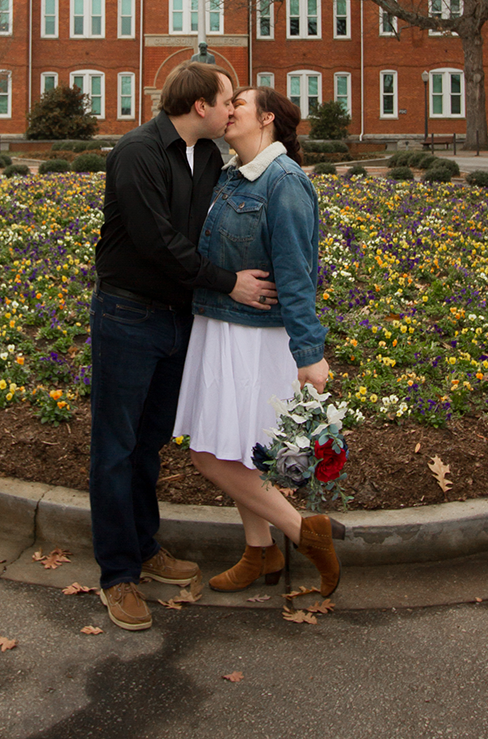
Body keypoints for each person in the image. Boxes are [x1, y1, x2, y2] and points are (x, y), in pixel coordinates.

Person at [90, 61, 278, 630]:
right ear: (200, 105)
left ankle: (147, 548)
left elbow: (214, 230)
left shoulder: (207, 160)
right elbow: (157, 243)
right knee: (116, 448)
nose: (231, 110)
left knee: (148, 445)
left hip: (178, 318)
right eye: (226, 100)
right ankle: (118, 575)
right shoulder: (137, 152)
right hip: (128, 314)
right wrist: (229, 282)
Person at [173, 85, 342, 596]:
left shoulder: (284, 180)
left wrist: (310, 354)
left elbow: (297, 272)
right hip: (221, 325)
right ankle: (260, 552)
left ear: (266, 118)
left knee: (211, 454)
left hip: (255, 338)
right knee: (240, 450)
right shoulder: (229, 175)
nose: (228, 111)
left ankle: (304, 534)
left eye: (238, 105)